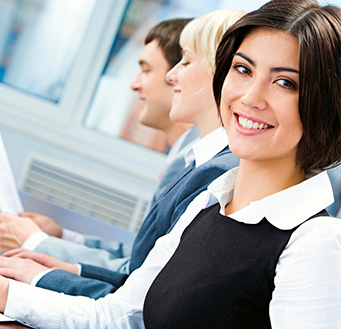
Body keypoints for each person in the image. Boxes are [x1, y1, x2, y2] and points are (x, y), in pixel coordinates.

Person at [0, 0, 339, 327]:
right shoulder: (209, 204)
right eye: (243, 69)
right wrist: (7, 294)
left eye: (285, 83)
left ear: (326, 106)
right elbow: (117, 317)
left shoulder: (317, 243)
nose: (250, 97)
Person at [0, 10, 242, 298]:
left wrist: (41, 267)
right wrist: (59, 254)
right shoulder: (195, 160)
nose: (171, 75)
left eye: (185, 62)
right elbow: (140, 266)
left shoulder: (212, 170)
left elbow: (137, 289)